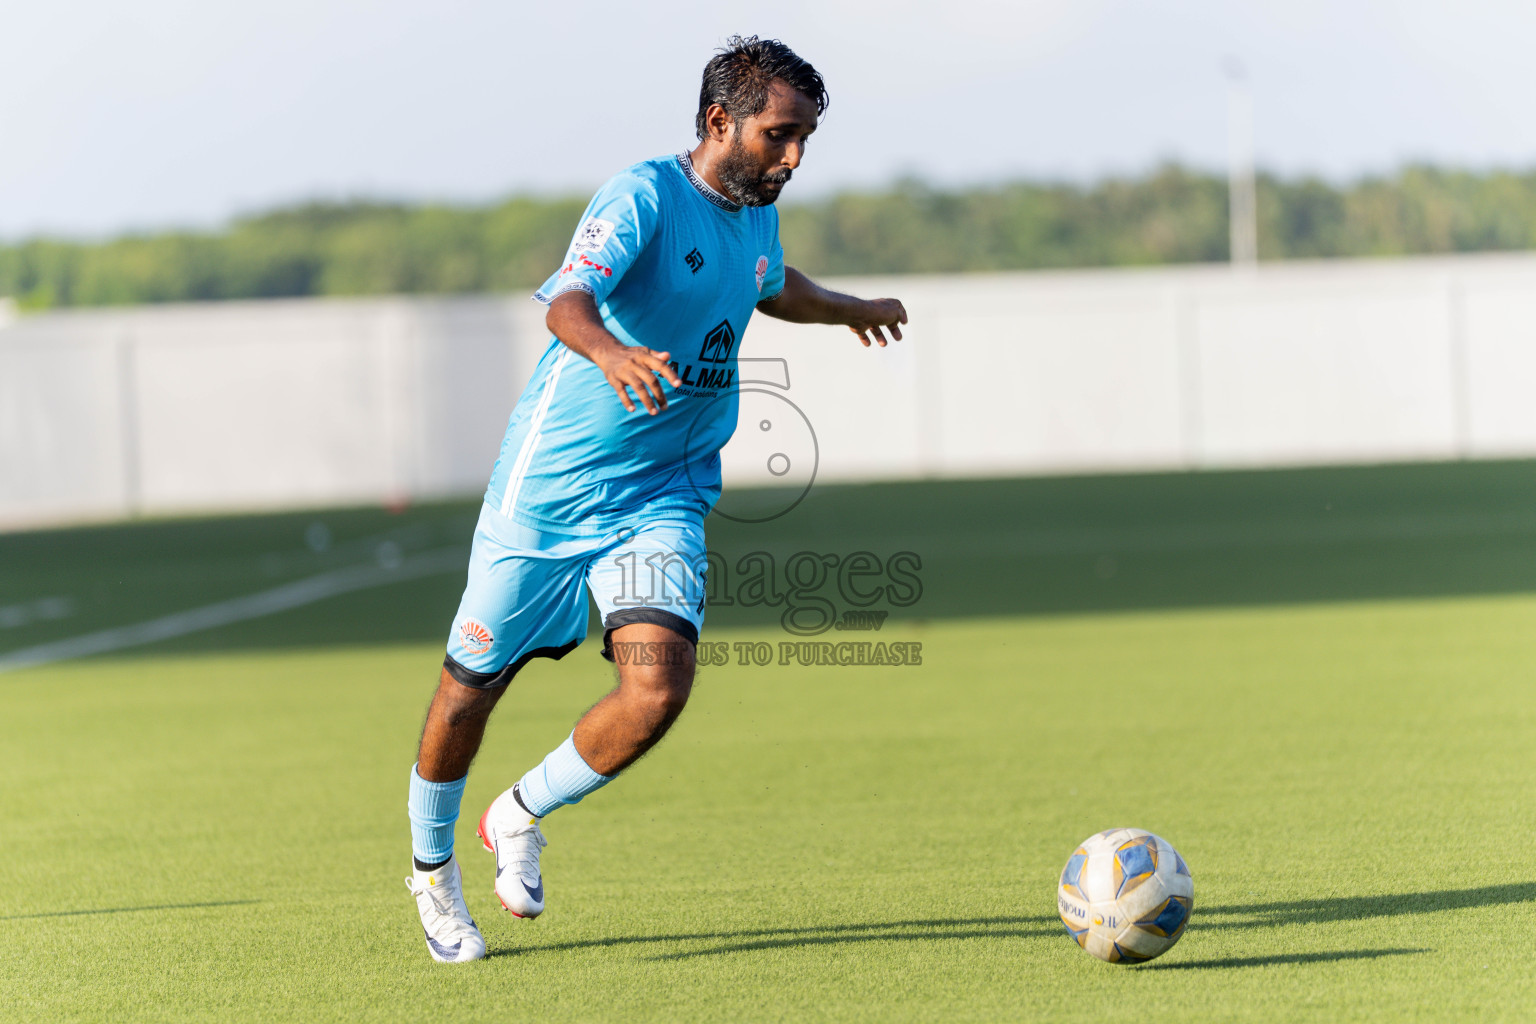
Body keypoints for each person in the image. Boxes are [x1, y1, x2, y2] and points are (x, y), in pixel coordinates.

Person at [405, 34, 908, 963]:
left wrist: (846, 308)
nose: (794, 157)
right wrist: (611, 353)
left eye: (805, 139)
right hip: (551, 495)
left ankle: (516, 813)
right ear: (721, 121)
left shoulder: (755, 210)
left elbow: (768, 284)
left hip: (661, 493)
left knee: (657, 685)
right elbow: (567, 301)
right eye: (780, 135)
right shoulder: (642, 195)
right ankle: (433, 876)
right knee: (467, 692)